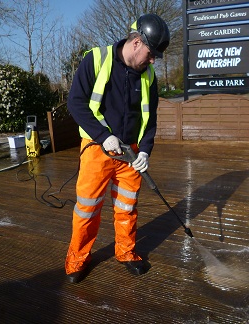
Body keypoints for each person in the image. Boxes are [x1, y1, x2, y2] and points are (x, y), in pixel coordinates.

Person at [65, 13, 170, 283]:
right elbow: (76, 103)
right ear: (136, 43)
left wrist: (145, 150)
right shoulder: (97, 60)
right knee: (87, 208)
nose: (153, 60)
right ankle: (77, 259)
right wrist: (102, 135)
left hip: (131, 154)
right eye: (151, 52)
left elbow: (151, 118)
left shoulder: (148, 75)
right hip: (97, 150)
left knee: (127, 206)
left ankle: (126, 252)